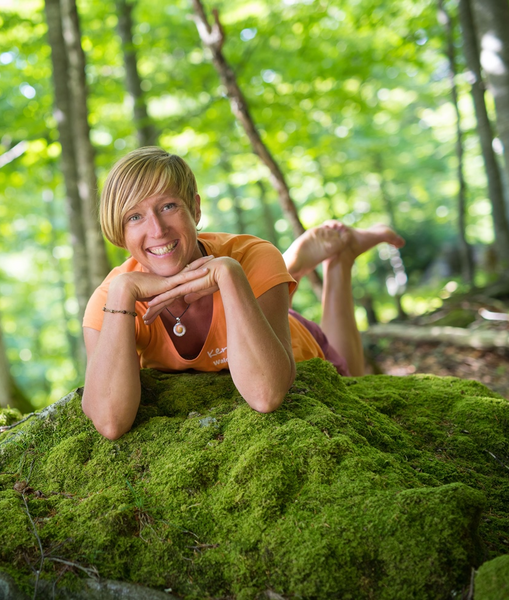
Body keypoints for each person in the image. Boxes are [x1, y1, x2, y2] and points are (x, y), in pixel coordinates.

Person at [81, 147, 405, 440]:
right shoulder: (110, 298)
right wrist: (123, 293)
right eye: (135, 216)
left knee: (350, 371)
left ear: (194, 208)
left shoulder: (248, 259)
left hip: (275, 333)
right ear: (118, 230)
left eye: (168, 206)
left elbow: (266, 395)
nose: (157, 229)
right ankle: (294, 264)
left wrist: (229, 274)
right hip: (252, 304)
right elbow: (109, 422)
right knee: (263, 277)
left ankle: (342, 259)